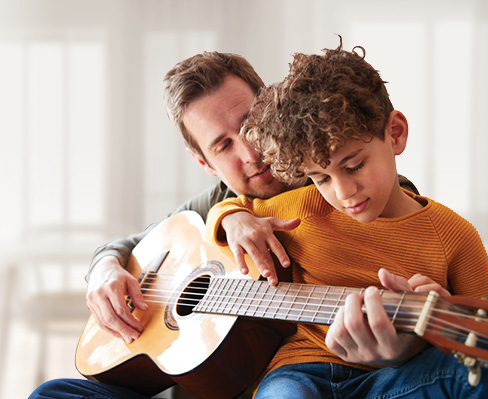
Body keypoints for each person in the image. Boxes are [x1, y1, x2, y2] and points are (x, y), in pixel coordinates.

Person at [29, 51, 419, 398]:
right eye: (222, 145)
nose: (251, 152)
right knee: (53, 394)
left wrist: (401, 349)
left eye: (251, 123)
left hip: (312, 379)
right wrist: (103, 272)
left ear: (274, 108)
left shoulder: (357, 188)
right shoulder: (211, 205)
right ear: (204, 163)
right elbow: (130, 244)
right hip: (209, 385)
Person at [204, 40, 488, 399]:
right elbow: (229, 211)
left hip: (399, 378)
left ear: (395, 134)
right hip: (300, 373)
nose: (343, 191)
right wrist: (230, 216)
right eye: (321, 178)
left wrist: (444, 332)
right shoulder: (300, 209)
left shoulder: (453, 235)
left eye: (354, 166)